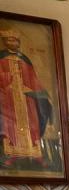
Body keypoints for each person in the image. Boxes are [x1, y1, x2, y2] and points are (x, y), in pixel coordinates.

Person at [0, 28, 54, 163]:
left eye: (14, 40)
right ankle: (11, 154)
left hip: (26, 97)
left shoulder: (24, 59)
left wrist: (39, 92)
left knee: (32, 123)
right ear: (5, 42)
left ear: (18, 42)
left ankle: (35, 154)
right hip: (8, 97)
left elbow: (33, 78)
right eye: (9, 40)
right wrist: (9, 79)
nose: (12, 42)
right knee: (9, 124)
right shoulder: (1, 57)